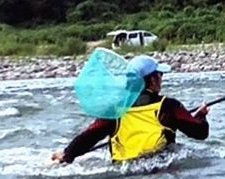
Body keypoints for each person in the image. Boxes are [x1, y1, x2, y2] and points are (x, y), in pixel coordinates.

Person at [52, 55, 209, 164]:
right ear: (153, 80)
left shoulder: (115, 110)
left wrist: (67, 154)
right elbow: (200, 133)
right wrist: (201, 116)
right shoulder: (169, 106)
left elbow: (89, 136)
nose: (161, 79)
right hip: (161, 168)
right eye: (160, 75)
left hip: (124, 169)